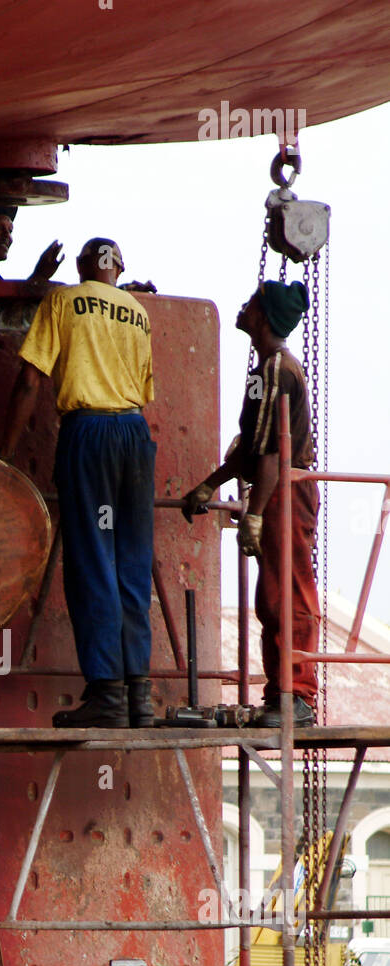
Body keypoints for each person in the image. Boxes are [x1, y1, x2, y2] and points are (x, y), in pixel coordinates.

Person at [0, 237, 157, 728]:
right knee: (132, 562)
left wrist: (5, 456)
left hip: (90, 435)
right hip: (135, 436)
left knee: (93, 560)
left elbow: (30, 380)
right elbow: (144, 388)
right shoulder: (139, 312)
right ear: (119, 269)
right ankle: (138, 695)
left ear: (83, 266)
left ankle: (107, 694)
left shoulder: (62, 301)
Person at [181, 280, 317, 727]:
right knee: (271, 595)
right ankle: (282, 694)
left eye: (252, 303)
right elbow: (253, 449)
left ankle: (297, 695)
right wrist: (209, 485)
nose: (244, 307)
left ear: (264, 317)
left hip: (284, 489)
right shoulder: (265, 371)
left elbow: (274, 454)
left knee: (289, 589)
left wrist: (254, 514)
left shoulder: (278, 370)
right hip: (274, 486)